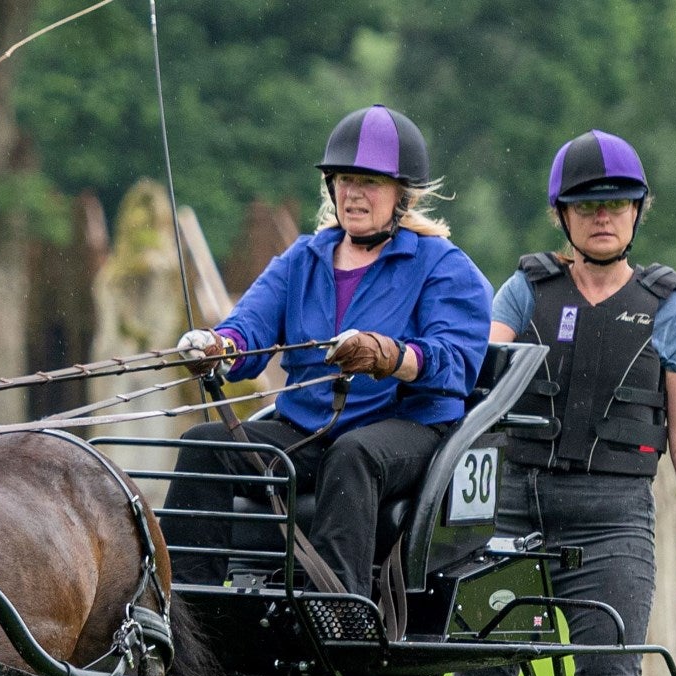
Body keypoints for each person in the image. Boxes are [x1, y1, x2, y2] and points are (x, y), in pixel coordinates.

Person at [443, 130, 676, 676]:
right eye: (587, 205)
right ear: (562, 215)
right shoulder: (524, 292)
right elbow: (480, 379)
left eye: (617, 204)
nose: (603, 216)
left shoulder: (666, 308)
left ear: (636, 212)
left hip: (613, 521)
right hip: (513, 507)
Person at [159, 104, 491, 600]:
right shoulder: (303, 258)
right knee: (205, 444)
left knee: (352, 453)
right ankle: (183, 611)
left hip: (410, 429)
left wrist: (387, 355)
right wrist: (217, 346)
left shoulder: (443, 265)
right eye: (343, 179)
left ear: (402, 194)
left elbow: (454, 361)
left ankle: (335, 606)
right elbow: (249, 327)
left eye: (370, 182)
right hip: (307, 431)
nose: (353, 193)